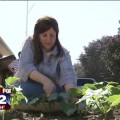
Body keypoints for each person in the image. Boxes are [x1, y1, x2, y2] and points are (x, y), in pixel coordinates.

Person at [14, 16, 77, 100]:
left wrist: (72, 95)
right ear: (38, 35)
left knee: (61, 94)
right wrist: (46, 81)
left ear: (56, 36)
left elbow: (68, 76)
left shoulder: (63, 53)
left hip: (51, 90)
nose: (48, 39)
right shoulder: (30, 43)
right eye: (44, 35)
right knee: (13, 90)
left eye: (52, 35)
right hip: (25, 84)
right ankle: (4, 108)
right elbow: (26, 66)